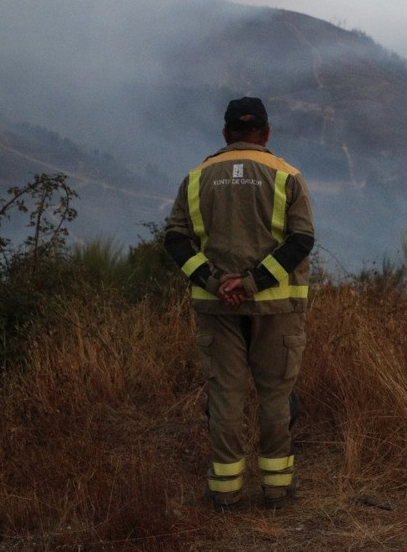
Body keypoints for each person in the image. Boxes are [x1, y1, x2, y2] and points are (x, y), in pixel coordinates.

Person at [164, 96, 315, 510]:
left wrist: (216, 282)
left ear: (226, 134)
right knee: (275, 395)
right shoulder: (288, 177)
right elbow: (301, 241)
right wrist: (252, 283)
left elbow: (175, 239)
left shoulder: (197, 178)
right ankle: (277, 489)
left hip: (217, 308)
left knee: (226, 397)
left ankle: (225, 491)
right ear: (266, 133)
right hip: (277, 307)